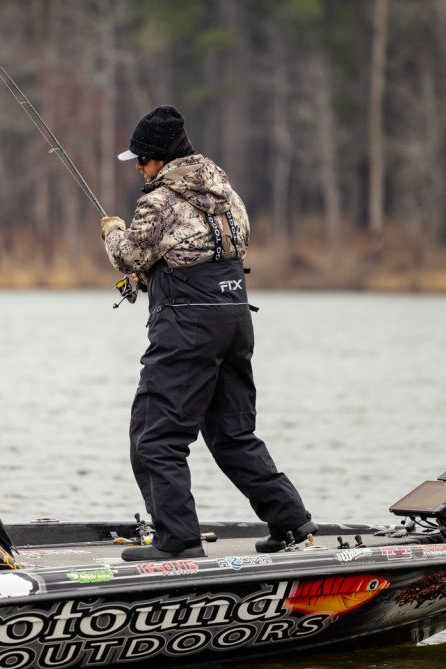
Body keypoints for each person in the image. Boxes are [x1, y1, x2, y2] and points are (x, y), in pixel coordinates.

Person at [101, 105, 316, 560]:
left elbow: (128, 257)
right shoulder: (226, 191)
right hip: (235, 318)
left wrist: (113, 231)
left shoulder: (158, 201)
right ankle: (291, 521)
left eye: (142, 159)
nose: (138, 168)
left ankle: (177, 541)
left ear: (160, 158)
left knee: (155, 436)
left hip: (186, 327)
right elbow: (222, 249)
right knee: (233, 433)